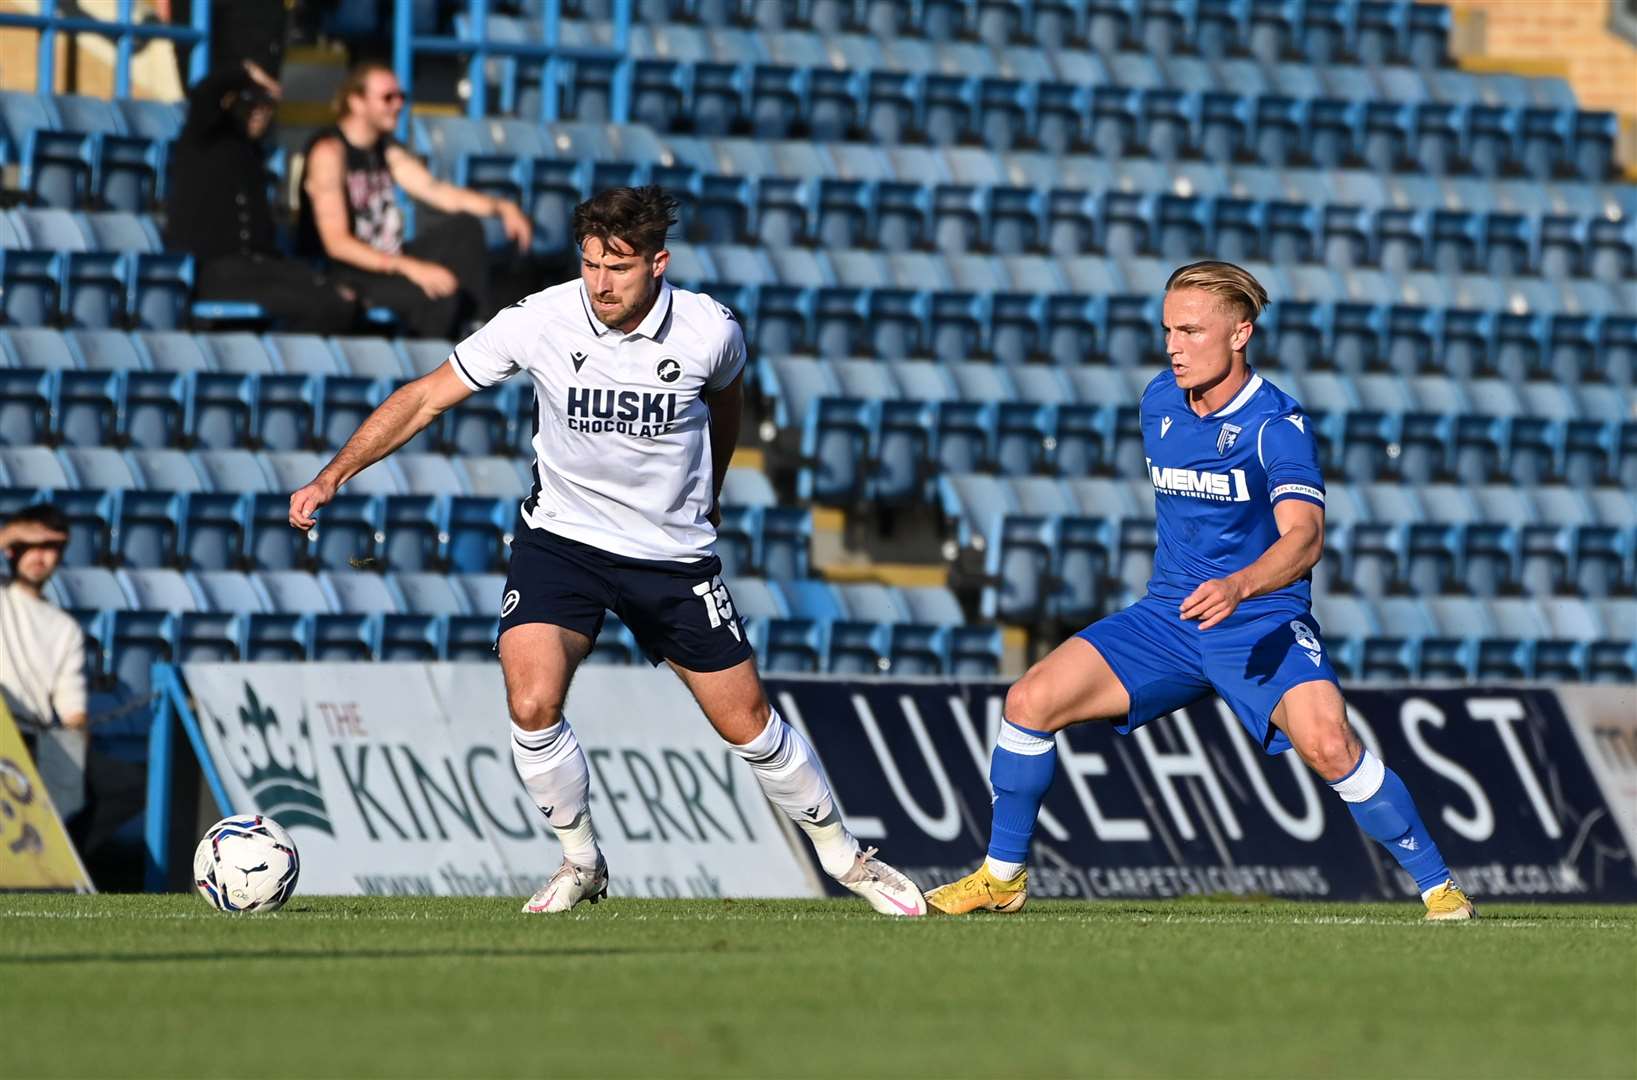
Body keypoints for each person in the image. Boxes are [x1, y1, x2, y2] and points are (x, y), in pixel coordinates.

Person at [289, 185, 926, 917]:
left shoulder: (709, 330)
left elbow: (726, 399)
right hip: (562, 542)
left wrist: (709, 486)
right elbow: (427, 395)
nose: (600, 283)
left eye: (617, 268)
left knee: (745, 721)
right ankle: (580, 860)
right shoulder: (540, 320)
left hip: (670, 556)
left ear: (659, 263)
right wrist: (333, 474)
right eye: (590, 264)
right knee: (531, 700)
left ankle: (848, 859)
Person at [926, 261, 1477, 922]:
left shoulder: (1276, 426)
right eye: (1167, 330)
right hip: (1167, 618)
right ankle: (1001, 877)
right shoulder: (1158, 401)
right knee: (1029, 700)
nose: (1172, 345)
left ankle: (1439, 889)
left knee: (1329, 744)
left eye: (1190, 331)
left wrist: (1240, 585)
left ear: (1239, 333)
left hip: (1259, 620)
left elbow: (1303, 539)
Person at [296, 61, 534, 339]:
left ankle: (478, 330)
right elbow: (336, 245)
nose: (398, 105)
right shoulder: (329, 152)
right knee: (437, 293)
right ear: (356, 101)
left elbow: (436, 191)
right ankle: (430, 373)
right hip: (347, 272)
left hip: (388, 260)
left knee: (464, 229)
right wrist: (412, 269)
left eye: (401, 97)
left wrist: (500, 207)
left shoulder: (385, 149)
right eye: (388, 98)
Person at [165, 60, 360, 334]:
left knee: (340, 295)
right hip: (218, 269)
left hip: (261, 266)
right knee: (319, 303)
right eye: (251, 105)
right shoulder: (203, 139)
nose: (259, 113)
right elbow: (204, 94)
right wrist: (245, 73)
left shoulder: (253, 153)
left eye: (266, 107)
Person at [0, 504, 87, 735]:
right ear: (11, 550)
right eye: (29, 545)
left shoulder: (66, 628)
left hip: (31, 743)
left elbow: (73, 709)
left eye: (50, 547)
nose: (39, 556)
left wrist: (77, 745)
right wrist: (10, 534)